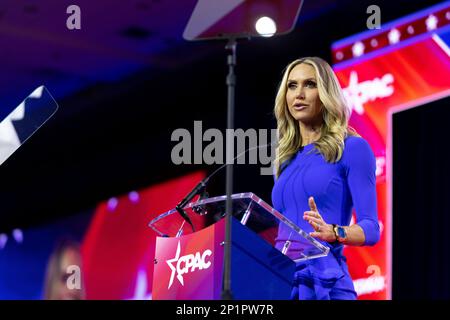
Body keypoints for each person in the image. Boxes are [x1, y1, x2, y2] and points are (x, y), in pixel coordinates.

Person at [272, 57, 380, 300]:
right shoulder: (284, 160)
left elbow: (371, 229)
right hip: (280, 282)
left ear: (326, 94)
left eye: (309, 84)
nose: (299, 94)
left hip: (325, 283)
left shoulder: (352, 148)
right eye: (292, 86)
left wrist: (334, 231)